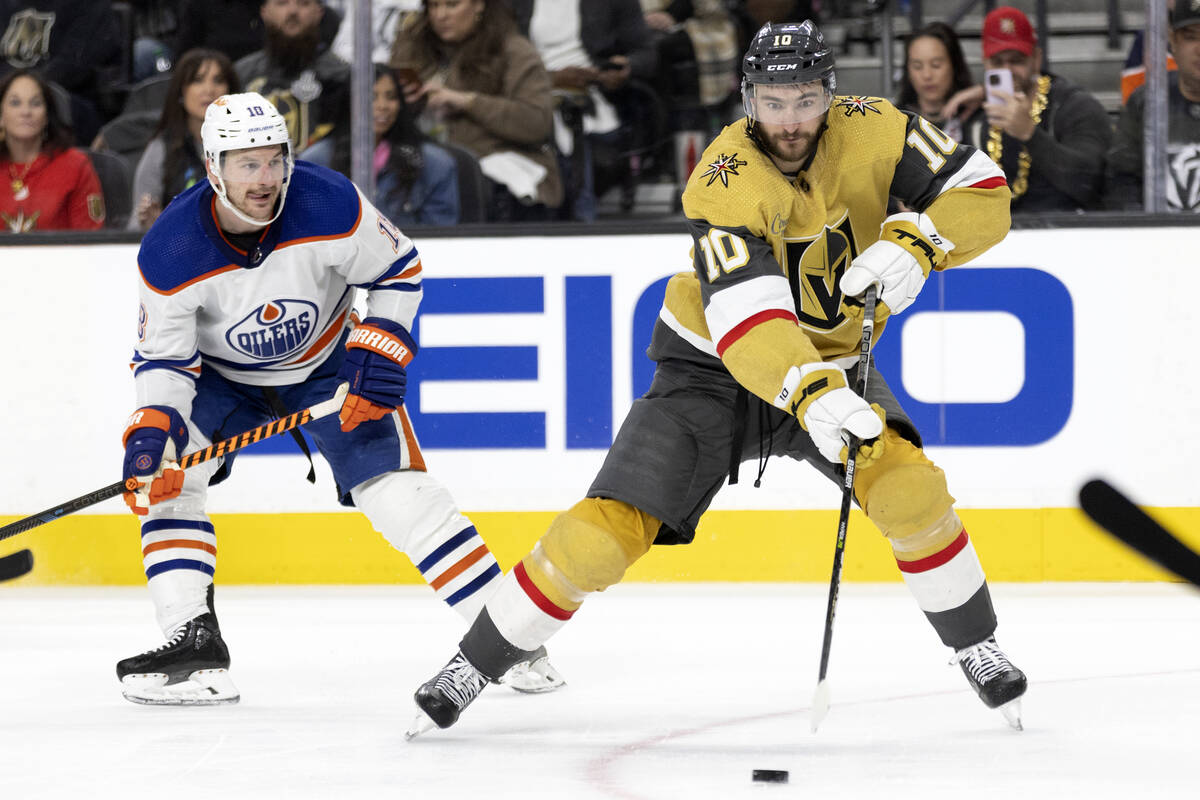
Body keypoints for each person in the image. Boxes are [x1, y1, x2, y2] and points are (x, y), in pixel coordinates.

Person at [405, 20, 1028, 738]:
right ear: (747, 99)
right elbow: (747, 319)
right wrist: (816, 395)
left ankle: (977, 646)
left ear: (831, 92)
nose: (790, 121)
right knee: (604, 536)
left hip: (826, 363)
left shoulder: (879, 126)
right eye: (773, 101)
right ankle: (472, 664)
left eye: (804, 99)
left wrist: (922, 243)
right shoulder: (723, 178)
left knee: (912, 488)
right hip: (712, 369)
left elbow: (984, 190)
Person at [115, 91, 562, 705]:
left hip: (326, 368)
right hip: (221, 379)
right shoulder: (169, 251)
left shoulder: (329, 202)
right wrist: (152, 433)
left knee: (402, 496)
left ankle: (506, 641)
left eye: (274, 160)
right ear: (213, 167)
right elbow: (165, 359)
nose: (265, 179)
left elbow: (398, 269)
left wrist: (380, 351)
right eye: (247, 164)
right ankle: (192, 648)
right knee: (167, 485)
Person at [390, 0, 562, 222]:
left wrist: (468, 102)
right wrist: (405, 103)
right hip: (420, 160)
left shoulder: (515, 51)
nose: (441, 15)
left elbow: (536, 122)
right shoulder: (411, 50)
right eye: (433, 6)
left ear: (479, 5)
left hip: (494, 163)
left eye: (452, 5)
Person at [510, 0, 658, 221]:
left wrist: (624, 68)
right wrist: (550, 78)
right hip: (531, 93)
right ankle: (575, 219)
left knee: (572, 118)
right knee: (557, 120)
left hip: (595, 95)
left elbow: (647, 55)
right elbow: (499, 63)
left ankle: (577, 222)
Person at [958, 5, 1111, 213]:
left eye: (1017, 60)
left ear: (1036, 59)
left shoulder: (1074, 105)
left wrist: (1030, 134)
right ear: (985, 64)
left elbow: (1091, 183)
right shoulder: (976, 120)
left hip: (1071, 234)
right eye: (997, 62)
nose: (1007, 71)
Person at [128, 48, 241, 231]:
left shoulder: (250, 146)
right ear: (181, 91)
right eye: (197, 80)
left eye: (218, 81)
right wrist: (156, 226)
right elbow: (136, 225)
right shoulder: (161, 149)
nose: (209, 90)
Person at [1106, 0, 1200, 212]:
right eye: (1191, 37)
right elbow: (1120, 181)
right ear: (1173, 42)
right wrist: (1145, 232)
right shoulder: (1146, 100)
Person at [236, 0, 351, 167]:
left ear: (319, 12)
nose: (292, 11)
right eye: (282, 3)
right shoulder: (241, 75)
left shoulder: (342, 76)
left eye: (303, 3)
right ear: (264, 12)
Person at [0, 68, 104, 232]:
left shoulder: (75, 166)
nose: (26, 112)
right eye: (15, 103)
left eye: (35, 103)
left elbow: (89, 242)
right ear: (1, 115)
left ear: (47, 116)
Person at [371, 63, 459, 226]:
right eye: (371, 97)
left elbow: (442, 239)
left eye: (391, 97)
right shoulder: (319, 159)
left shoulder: (435, 163)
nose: (382, 106)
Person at [895, 21, 979, 142]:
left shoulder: (975, 117)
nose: (927, 75)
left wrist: (984, 91)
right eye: (917, 66)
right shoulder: (896, 121)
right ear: (907, 70)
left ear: (954, 65)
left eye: (936, 65)